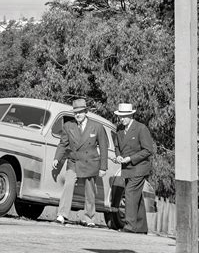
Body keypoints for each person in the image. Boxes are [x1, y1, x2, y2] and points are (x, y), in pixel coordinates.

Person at [52, 98, 108, 227]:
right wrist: (57, 158)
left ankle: (89, 218)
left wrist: (103, 167)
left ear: (86, 112)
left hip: (91, 163)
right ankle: (62, 214)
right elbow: (63, 144)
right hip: (74, 161)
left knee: (90, 191)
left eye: (80, 112)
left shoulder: (97, 127)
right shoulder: (68, 126)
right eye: (75, 112)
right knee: (69, 184)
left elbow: (104, 147)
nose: (78, 115)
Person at [113, 102, 153, 234]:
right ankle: (141, 227)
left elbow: (148, 150)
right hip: (126, 168)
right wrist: (118, 156)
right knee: (137, 197)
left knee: (130, 193)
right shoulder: (119, 130)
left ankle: (130, 226)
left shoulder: (141, 128)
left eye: (124, 116)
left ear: (131, 115)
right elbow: (117, 147)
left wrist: (130, 158)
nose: (121, 119)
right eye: (120, 116)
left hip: (139, 167)